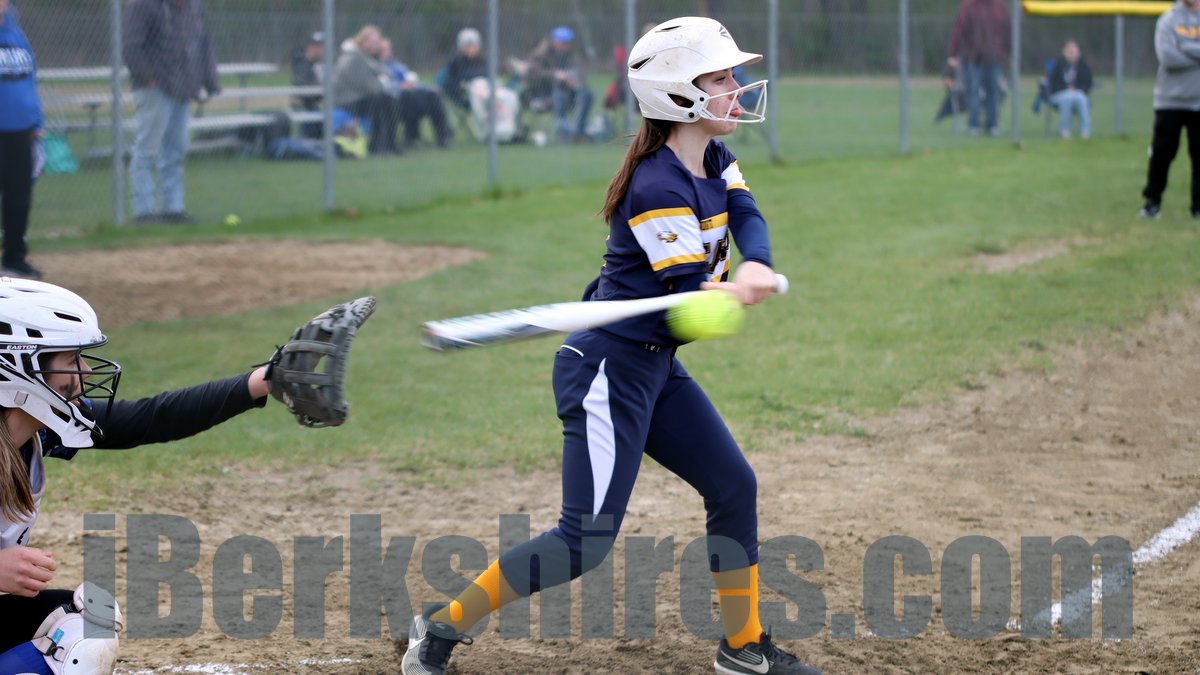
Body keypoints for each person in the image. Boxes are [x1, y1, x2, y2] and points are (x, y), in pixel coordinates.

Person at [401, 16, 819, 675]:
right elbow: (686, 313)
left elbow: (744, 211)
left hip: (652, 366)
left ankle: (743, 647)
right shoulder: (656, 187)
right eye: (720, 78)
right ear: (680, 95)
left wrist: (756, 263)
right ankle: (442, 624)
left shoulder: (711, 156)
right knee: (584, 540)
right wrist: (723, 298)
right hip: (607, 370)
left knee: (733, 484)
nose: (736, 88)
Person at [0, 278, 274, 674]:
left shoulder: (35, 433)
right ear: (17, 368)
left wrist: (262, 382)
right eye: (70, 358)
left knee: (87, 622)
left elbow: (151, 418)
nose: (86, 370)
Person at [122, 0, 220, 225]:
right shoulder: (143, 5)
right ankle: (143, 212)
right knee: (148, 149)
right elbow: (131, 45)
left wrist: (210, 78)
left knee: (176, 150)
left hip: (183, 86)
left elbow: (203, 43)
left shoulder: (193, 6)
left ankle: (172, 208)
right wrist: (147, 77)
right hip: (155, 88)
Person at [1139, 0, 1200, 219]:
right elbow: (1167, 57)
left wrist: (1184, 46)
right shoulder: (1168, 20)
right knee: (1162, 154)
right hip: (1169, 100)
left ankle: (1198, 208)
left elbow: (1177, 52)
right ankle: (1152, 203)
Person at [0, 0, 43, 280]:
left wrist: (36, 121)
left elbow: (30, 80)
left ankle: (14, 259)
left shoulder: (17, 35)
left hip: (20, 130)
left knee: (19, 197)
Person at [440, 27, 522, 143]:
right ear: (461, 47)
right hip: (472, 91)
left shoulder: (483, 61)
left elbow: (492, 74)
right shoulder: (456, 62)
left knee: (509, 97)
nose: (470, 49)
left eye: (473, 45)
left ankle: (507, 132)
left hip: (491, 88)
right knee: (484, 97)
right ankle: (490, 133)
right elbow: (454, 81)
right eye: (467, 46)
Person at [332, 25, 404, 156]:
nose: (375, 46)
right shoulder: (354, 58)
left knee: (387, 101)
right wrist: (387, 86)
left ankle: (389, 144)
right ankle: (380, 145)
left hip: (360, 97)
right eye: (372, 42)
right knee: (383, 101)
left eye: (377, 42)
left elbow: (384, 75)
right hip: (346, 101)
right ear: (363, 41)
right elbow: (371, 87)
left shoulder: (367, 57)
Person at [947, 0, 1011, 137]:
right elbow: (958, 29)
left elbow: (1008, 31)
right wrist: (953, 53)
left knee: (993, 92)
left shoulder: (999, 8)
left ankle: (992, 125)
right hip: (973, 58)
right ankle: (973, 125)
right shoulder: (968, 7)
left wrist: (1010, 52)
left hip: (993, 58)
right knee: (973, 92)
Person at [379, 37, 453, 149]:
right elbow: (383, 86)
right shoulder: (377, 66)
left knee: (433, 95)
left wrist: (427, 88)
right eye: (383, 49)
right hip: (394, 102)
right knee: (410, 97)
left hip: (411, 96)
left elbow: (411, 82)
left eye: (388, 49)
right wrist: (400, 86)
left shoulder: (398, 66)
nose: (387, 52)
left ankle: (443, 137)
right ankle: (412, 139)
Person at [523, 25, 594, 143]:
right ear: (553, 41)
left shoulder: (570, 55)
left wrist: (574, 80)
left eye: (568, 42)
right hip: (543, 94)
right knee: (560, 96)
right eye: (563, 42)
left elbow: (579, 73)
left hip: (568, 92)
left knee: (586, 95)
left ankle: (578, 131)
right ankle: (565, 132)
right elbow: (532, 74)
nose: (566, 45)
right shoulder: (540, 55)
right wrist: (555, 75)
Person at [1047, 39, 1093, 140]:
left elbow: (1087, 84)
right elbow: (1052, 84)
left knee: (1081, 98)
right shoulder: (1058, 65)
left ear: (1078, 52)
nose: (1072, 53)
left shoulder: (1083, 66)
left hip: (1078, 94)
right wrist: (1066, 89)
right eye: (1069, 51)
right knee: (1067, 97)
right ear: (1064, 52)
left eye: (1074, 51)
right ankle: (1063, 129)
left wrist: (1077, 89)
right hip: (1059, 95)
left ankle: (1085, 131)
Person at [291, 31, 325, 139]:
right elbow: (304, 93)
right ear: (309, 48)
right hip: (308, 106)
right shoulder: (302, 65)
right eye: (315, 47)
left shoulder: (325, 64)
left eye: (321, 47)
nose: (318, 50)